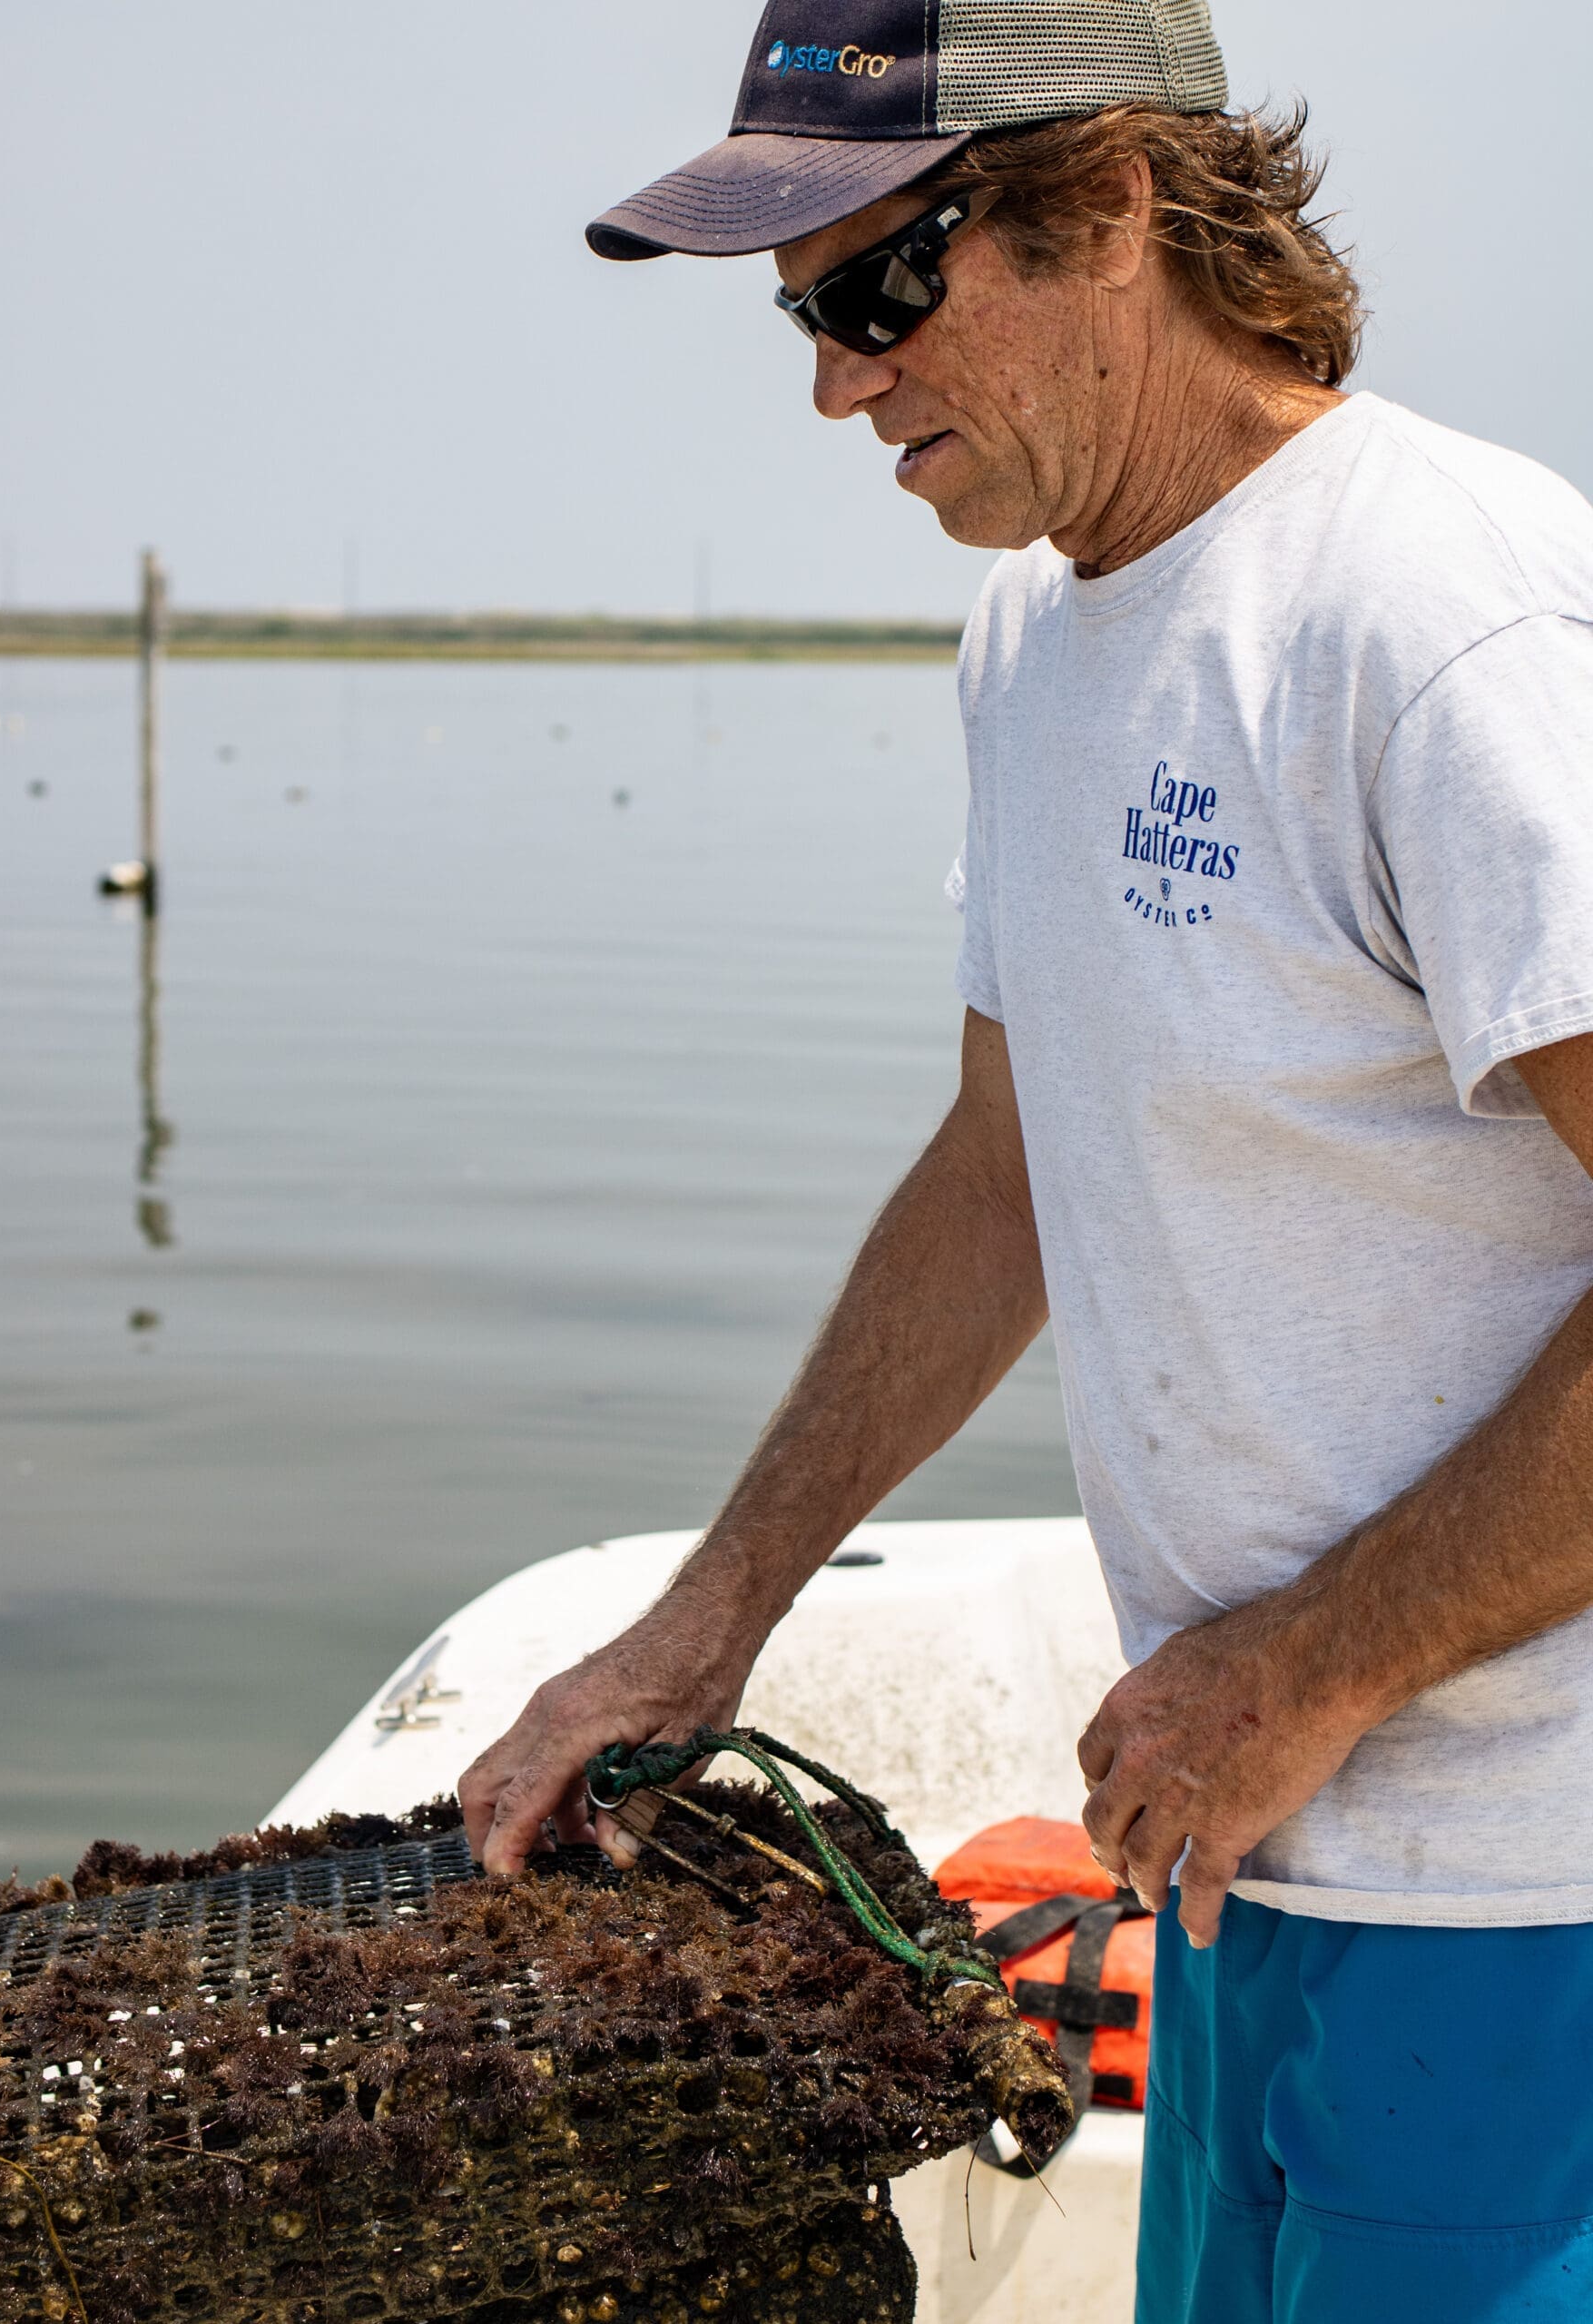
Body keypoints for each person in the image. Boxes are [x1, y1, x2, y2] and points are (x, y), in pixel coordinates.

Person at [460, 3, 1593, 2314]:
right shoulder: (1036, 635)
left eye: (881, 290)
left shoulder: (1450, 621)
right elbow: (1006, 1168)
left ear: (1116, 212)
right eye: (802, 308)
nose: (834, 385)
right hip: (1251, 1861)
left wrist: (1314, 1659)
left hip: (1527, 1911)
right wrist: (715, 1608)